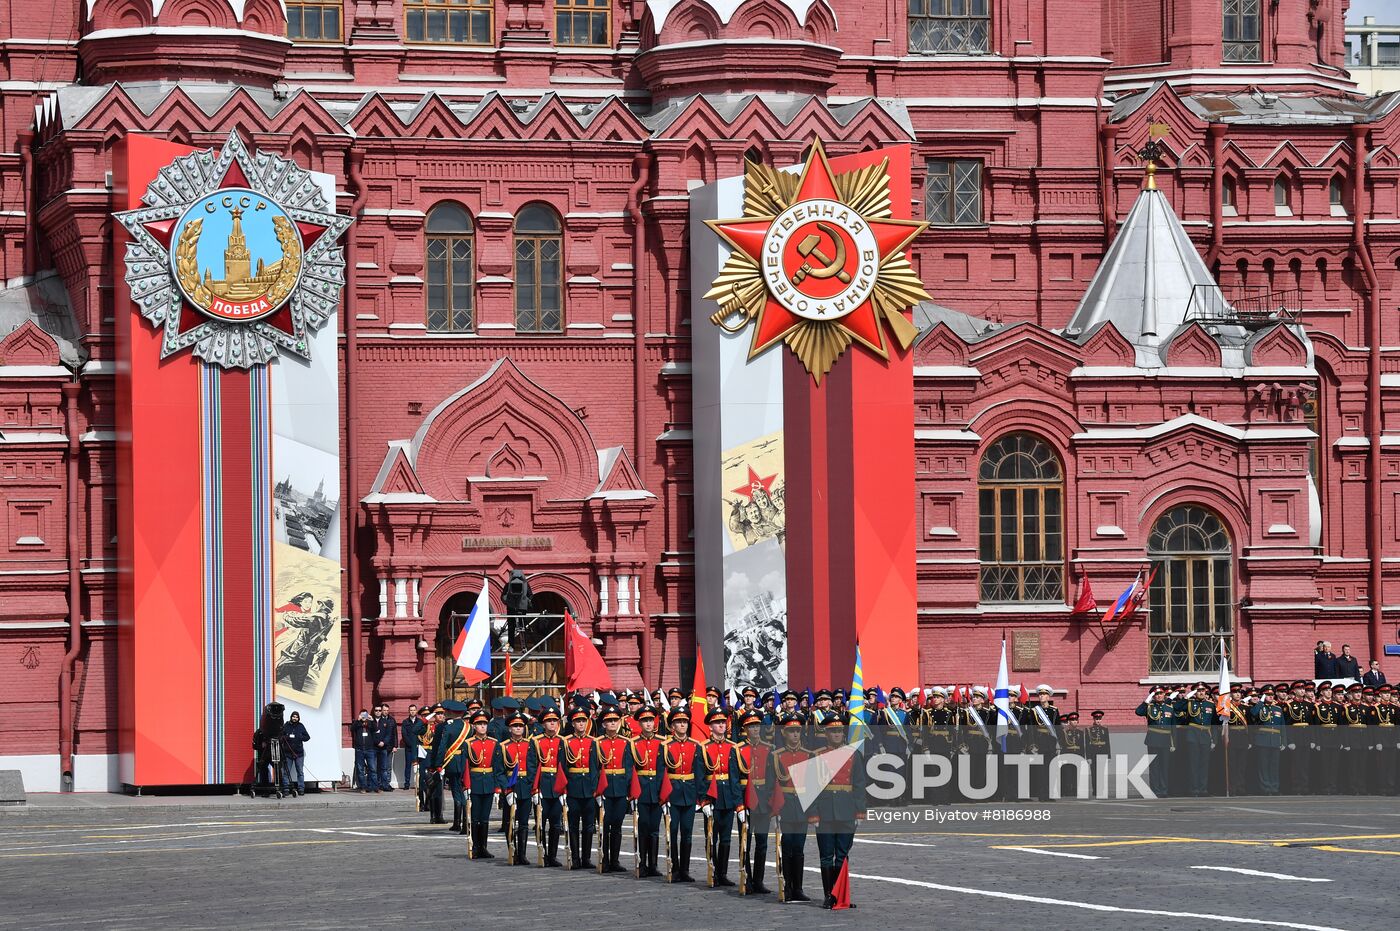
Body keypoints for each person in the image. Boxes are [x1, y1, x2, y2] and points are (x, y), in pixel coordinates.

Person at [813, 714, 864, 909]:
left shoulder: (853, 754)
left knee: (842, 854)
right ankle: (829, 895)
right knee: (826, 854)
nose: (836, 734)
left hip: (846, 809)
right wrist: (813, 813)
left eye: (839, 730)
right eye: (833, 731)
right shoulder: (818, 755)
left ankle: (841, 895)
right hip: (824, 810)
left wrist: (860, 811)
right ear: (826, 733)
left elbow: (859, 784)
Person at [660, 707, 707, 883]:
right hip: (672, 794)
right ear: (672, 725)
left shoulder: (695, 745)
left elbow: (699, 773)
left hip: (689, 793)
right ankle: (674, 868)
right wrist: (663, 797)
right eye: (679, 722)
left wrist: (700, 798)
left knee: (687, 832)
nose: (682, 725)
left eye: (685, 722)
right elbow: (661, 772)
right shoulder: (666, 746)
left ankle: (685, 870)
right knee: (672, 831)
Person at [770, 714, 812, 902]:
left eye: (797, 731)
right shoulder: (777, 756)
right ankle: (786, 886)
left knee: (799, 849)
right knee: (786, 848)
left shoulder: (808, 755)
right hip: (785, 805)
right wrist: (775, 809)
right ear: (785, 734)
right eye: (791, 731)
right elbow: (773, 784)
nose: (795, 734)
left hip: (802, 806)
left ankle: (798, 888)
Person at [700, 707, 741, 888]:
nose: (721, 725)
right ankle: (712, 871)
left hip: (727, 797)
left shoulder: (733, 747)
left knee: (726, 838)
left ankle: (723, 873)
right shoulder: (703, 748)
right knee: (711, 836)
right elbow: (700, 776)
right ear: (710, 727)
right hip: (712, 796)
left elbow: (735, 777)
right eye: (717, 723)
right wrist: (704, 800)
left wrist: (737, 802)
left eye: (723, 722)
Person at [559, 707, 603, 870]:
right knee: (572, 825)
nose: (581, 724)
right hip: (573, 788)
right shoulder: (566, 742)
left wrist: (596, 789)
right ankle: (575, 858)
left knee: (589, 826)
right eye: (578, 721)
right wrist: (563, 789)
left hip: (589, 789)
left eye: (584, 720)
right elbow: (562, 767)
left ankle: (586, 858)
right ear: (573, 723)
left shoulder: (593, 742)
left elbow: (596, 766)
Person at [735, 709, 772, 894]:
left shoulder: (767, 749)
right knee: (745, 842)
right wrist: (739, 805)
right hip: (746, 800)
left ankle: (759, 880)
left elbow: (773, 779)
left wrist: (774, 803)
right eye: (751, 726)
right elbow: (735, 780)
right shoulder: (738, 749)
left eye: (757, 725)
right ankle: (746, 879)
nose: (755, 729)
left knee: (762, 843)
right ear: (745, 728)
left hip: (763, 801)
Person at [628, 707, 666, 878]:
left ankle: (654, 865)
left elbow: (665, 768)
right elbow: (631, 770)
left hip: (657, 790)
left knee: (654, 829)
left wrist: (665, 793)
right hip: (642, 790)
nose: (648, 724)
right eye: (645, 721)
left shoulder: (662, 742)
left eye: (650, 720)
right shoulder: (634, 743)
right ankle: (642, 863)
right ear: (640, 723)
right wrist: (632, 794)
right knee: (642, 828)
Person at [595, 706, 633, 873]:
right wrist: (597, 791)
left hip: (620, 789)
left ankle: (615, 860)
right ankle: (605, 859)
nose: (612, 723)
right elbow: (594, 769)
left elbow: (629, 768)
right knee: (604, 825)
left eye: (615, 720)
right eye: (609, 721)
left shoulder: (626, 743)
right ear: (603, 724)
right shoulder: (597, 743)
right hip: (605, 790)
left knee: (617, 826)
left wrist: (629, 791)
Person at [527, 708, 566, 867]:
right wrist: (534, 789)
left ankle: (553, 855)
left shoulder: (562, 741)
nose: (552, 723)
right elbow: (531, 766)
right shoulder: (535, 741)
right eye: (549, 721)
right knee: (541, 824)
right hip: (542, 786)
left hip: (556, 786)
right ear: (543, 724)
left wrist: (564, 789)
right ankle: (542, 853)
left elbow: (564, 766)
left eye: (555, 721)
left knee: (556, 824)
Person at [496, 712, 533, 865]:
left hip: (526, 787)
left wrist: (533, 787)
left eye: (520, 726)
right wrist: (506, 790)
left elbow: (533, 767)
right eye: (515, 726)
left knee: (524, 822)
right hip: (511, 788)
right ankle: (512, 851)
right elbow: (500, 771)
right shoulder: (503, 747)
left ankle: (522, 854)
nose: (518, 728)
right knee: (510, 822)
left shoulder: (530, 745)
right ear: (510, 728)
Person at [427, 700, 470, 832]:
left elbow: (440, 748)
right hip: (466, 762)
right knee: (464, 790)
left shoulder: (446, 727)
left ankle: (459, 823)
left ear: (450, 712)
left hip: (451, 762)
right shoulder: (469, 727)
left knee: (456, 790)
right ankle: (463, 822)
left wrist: (437, 764)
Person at [464, 709, 501, 858]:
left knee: (485, 818)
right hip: (475, 782)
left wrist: (497, 786)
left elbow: (498, 766)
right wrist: (466, 785)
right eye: (479, 724)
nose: (482, 727)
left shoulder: (494, 743)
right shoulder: (468, 743)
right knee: (475, 817)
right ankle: (475, 846)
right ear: (474, 726)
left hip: (488, 782)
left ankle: (483, 847)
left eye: (484, 723)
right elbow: (465, 766)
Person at [1135, 686, 1175, 797]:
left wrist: (1173, 743)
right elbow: (1138, 712)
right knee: (1154, 766)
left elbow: (1173, 728)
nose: (1159, 696)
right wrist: (1147, 701)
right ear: (1153, 696)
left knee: (1164, 766)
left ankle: (1164, 790)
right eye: (1156, 694)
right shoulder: (1149, 707)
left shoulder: (1169, 708)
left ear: (1164, 695)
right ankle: (1155, 790)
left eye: (1161, 693)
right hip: (1153, 739)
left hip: (1166, 740)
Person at [282, 710, 310, 796]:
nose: (295, 718)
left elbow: (307, 737)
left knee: (300, 772)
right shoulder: (286, 725)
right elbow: (280, 736)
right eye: (293, 716)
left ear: (298, 718)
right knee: (286, 772)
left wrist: (299, 737)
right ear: (291, 717)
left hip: (298, 754)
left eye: (296, 717)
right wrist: (286, 737)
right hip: (287, 753)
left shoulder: (301, 726)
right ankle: (286, 789)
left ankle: (301, 789)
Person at [350, 709, 376, 792]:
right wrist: (358, 720)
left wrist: (372, 720)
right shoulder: (357, 723)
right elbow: (352, 729)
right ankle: (363, 787)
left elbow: (375, 729)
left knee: (372, 768)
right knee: (360, 769)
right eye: (362, 715)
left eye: (365, 715)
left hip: (370, 749)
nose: (364, 717)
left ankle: (374, 786)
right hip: (359, 749)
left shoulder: (370, 723)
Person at [400, 704, 424, 791]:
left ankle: (419, 783)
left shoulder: (420, 722)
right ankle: (407, 783)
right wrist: (411, 744)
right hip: (409, 748)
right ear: (409, 711)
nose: (412, 711)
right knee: (408, 766)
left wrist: (418, 744)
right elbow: (404, 734)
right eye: (411, 710)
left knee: (419, 766)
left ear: (416, 711)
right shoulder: (405, 722)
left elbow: (422, 734)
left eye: (414, 710)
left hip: (418, 748)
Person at [373, 704, 397, 791]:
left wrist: (395, 745)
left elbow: (394, 734)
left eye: (387, 710)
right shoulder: (376, 720)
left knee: (388, 767)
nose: (385, 712)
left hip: (389, 746)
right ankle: (379, 783)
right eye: (384, 710)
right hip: (379, 747)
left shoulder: (391, 720)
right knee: (379, 766)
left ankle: (387, 783)